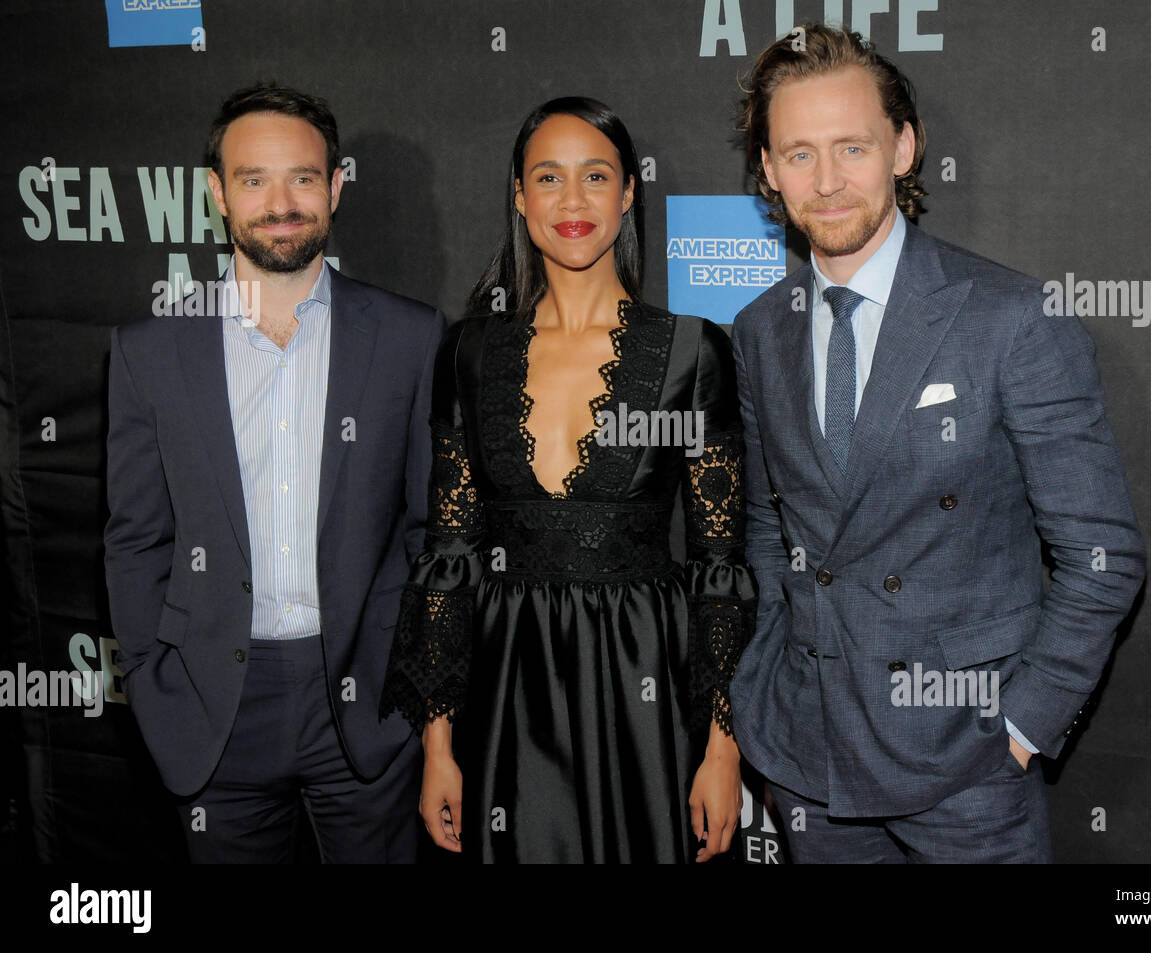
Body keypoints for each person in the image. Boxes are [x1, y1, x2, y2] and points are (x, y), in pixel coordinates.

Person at [728, 25, 1146, 862]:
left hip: (968, 767)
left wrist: (1019, 730)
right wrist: (764, 689)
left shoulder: (1013, 318)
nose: (829, 179)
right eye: (799, 154)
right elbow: (772, 531)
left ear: (905, 148)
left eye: (853, 146)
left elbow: (1103, 555)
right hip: (809, 754)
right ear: (769, 172)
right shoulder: (760, 328)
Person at [380, 96, 756, 863]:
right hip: (502, 676)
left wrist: (723, 751)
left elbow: (721, 567)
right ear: (519, 196)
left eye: (596, 176)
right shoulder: (470, 353)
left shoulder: (692, 353)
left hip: (642, 676)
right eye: (548, 177)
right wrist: (438, 745)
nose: (573, 200)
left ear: (628, 193)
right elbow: (449, 555)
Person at [104, 83, 446, 862]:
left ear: (335, 185)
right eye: (253, 179)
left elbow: (430, 534)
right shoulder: (150, 350)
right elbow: (135, 539)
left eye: (302, 177)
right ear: (217, 192)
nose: (280, 201)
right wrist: (158, 686)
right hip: (213, 706)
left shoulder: (408, 336)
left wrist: (413, 691)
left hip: (365, 706)